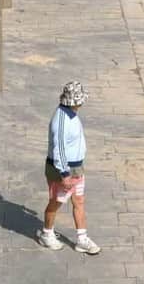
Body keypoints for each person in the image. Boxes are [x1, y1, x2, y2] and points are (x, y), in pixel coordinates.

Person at [39, 81, 101, 255]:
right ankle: (47, 233)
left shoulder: (72, 113)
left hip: (77, 168)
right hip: (63, 171)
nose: (82, 102)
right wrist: (64, 174)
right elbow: (59, 149)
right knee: (56, 202)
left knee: (79, 201)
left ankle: (82, 239)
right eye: (80, 99)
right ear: (73, 101)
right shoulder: (60, 120)